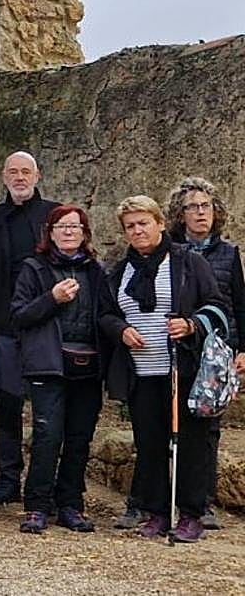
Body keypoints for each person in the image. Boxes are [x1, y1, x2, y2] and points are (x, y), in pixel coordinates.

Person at [100, 195, 228, 544]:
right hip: (141, 372)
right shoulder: (120, 270)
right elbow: (106, 314)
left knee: (191, 444)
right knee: (150, 443)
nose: (138, 230)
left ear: (159, 223)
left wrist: (190, 325)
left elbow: (217, 307)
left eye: (144, 223)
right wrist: (121, 330)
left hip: (182, 369)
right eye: (130, 226)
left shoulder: (188, 262)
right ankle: (157, 512)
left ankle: (190, 514)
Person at [9, 205, 108, 534]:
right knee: (47, 437)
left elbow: (107, 314)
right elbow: (19, 316)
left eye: (75, 227)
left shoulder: (96, 270)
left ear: (84, 233)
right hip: (48, 367)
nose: (68, 232)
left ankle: (70, 505)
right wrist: (51, 297)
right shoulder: (34, 268)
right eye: (61, 226)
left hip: (88, 367)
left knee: (79, 438)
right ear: (49, 233)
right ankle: (37, 505)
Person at [0, 151, 58, 506]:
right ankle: (8, 479)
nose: (19, 177)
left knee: (46, 413)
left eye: (26, 172)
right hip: (4, 331)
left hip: (45, 331)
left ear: (37, 176)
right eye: (13, 172)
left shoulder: (54, 216)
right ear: (3, 177)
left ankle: (42, 487)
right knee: (7, 408)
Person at [166, 176, 245, 530]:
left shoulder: (229, 254)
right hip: (178, 346)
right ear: (180, 215)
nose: (200, 213)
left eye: (206, 206)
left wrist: (242, 349)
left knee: (209, 426)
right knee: (168, 423)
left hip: (215, 351)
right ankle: (156, 499)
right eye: (192, 207)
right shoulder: (167, 251)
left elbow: (239, 305)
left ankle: (203, 501)